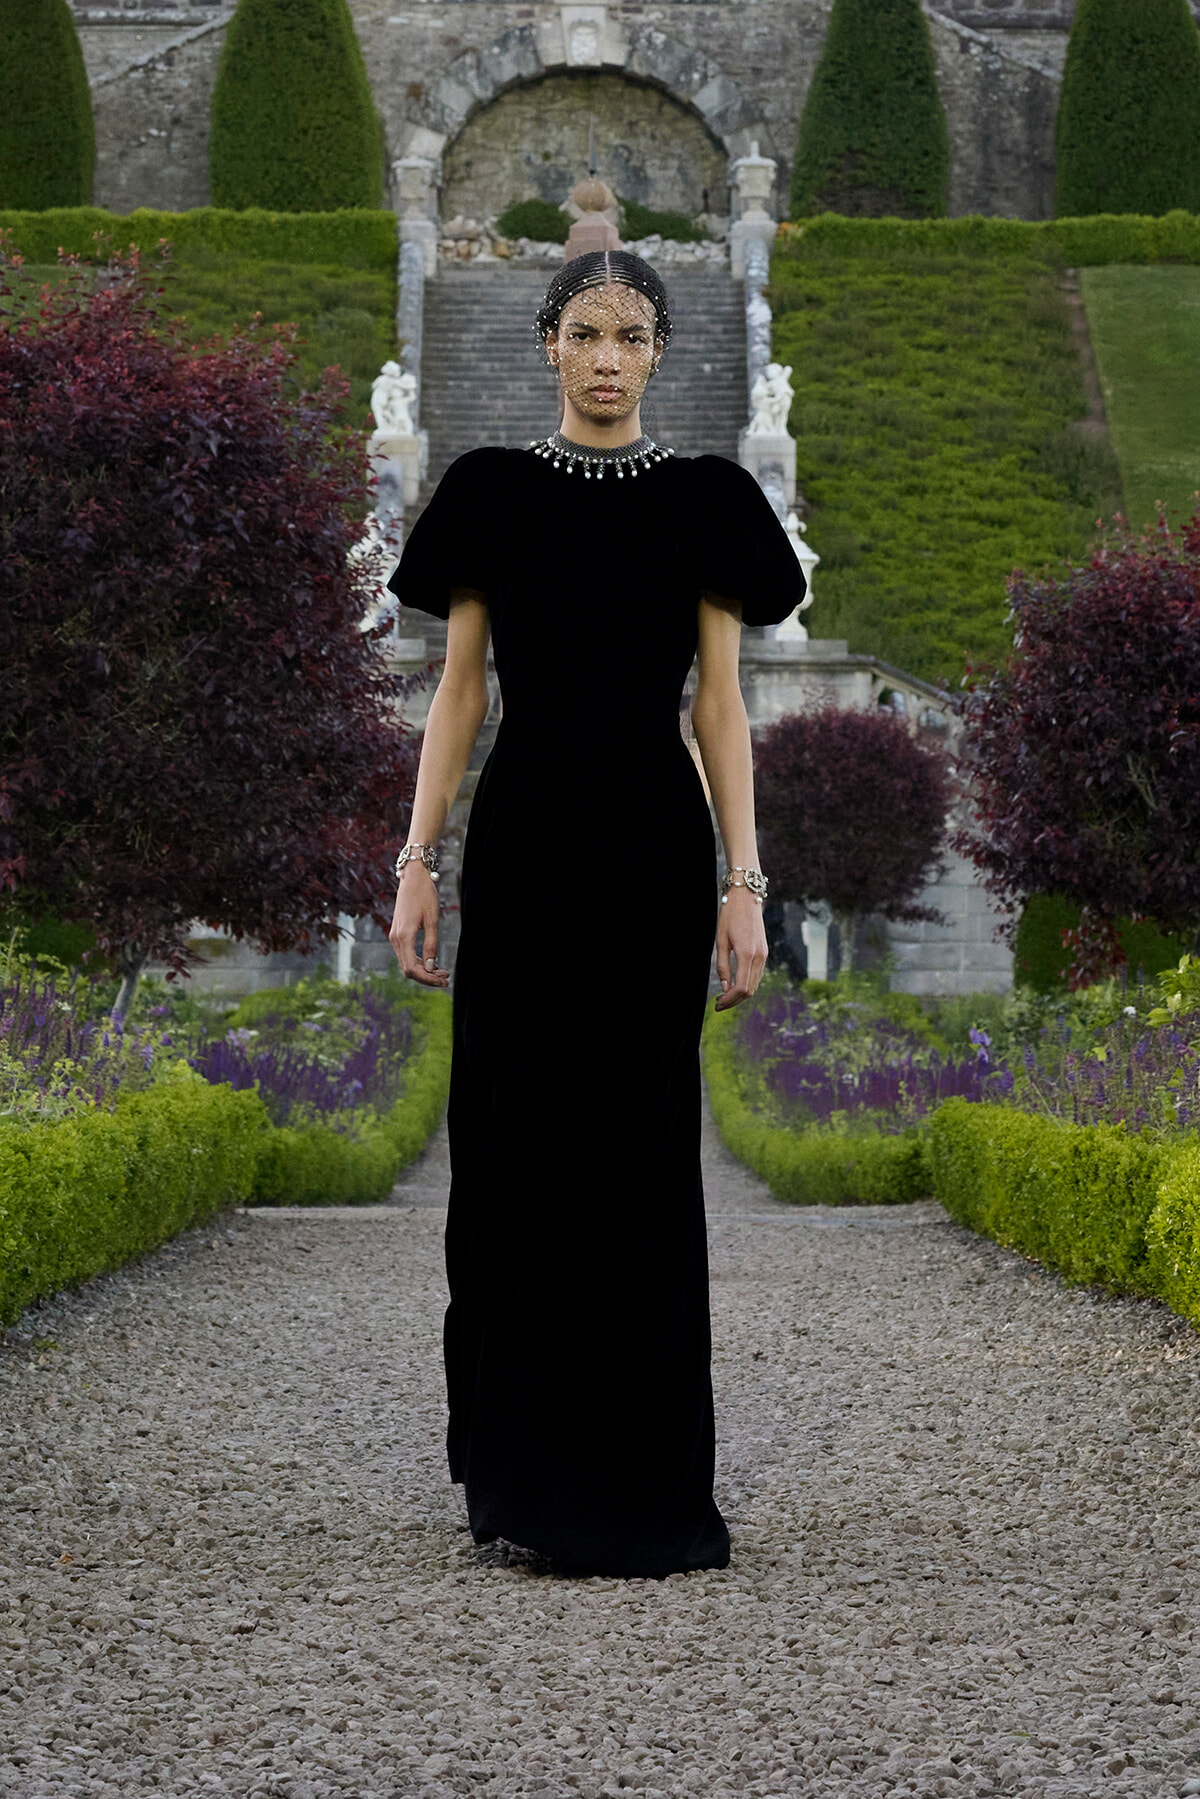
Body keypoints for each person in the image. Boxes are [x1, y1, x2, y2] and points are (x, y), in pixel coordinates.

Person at [386, 250, 805, 1578]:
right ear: (549, 348)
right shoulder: (489, 496)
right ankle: (523, 1474)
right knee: (514, 1154)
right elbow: (457, 695)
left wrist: (744, 886)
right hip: (520, 847)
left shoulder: (708, 502)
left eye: (631, 332)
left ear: (662, 352)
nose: (609, 355)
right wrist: (418, 860)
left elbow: (719, 709)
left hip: (648, 851)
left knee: (634, 1161)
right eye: (586, 331)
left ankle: (640, 1487)